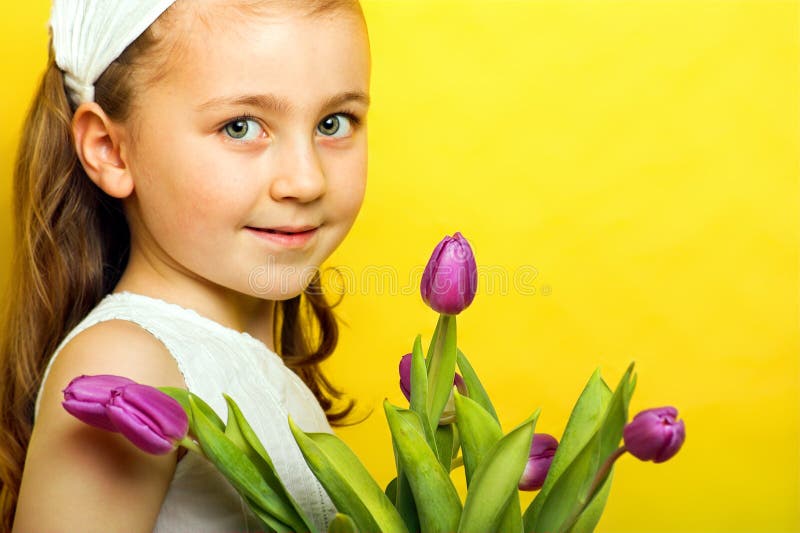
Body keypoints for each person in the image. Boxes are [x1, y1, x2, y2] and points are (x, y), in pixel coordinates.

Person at [0, 0, 371, 530]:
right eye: (241, 127)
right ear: (110, 150)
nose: (307, 181)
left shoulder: (229, 356)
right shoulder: (127, 367)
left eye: (334, 122)